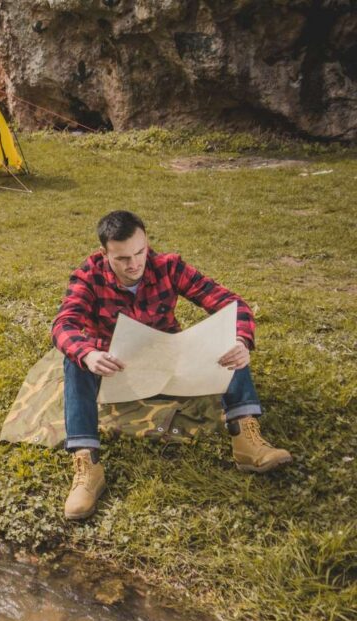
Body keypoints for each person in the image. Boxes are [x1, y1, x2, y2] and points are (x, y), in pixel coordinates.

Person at [51, 210, 292, 520]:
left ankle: (246, 439)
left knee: (227, 337)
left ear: (147, 242)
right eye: (122, 258)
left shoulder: (168, 266)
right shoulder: (89, 275)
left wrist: (242, 341)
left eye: (140, 252)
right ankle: (87, 465)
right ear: (104, 254)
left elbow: (233, 305)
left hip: (169, 359)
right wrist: (88, 354)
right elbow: (63, 324)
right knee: (75, 361)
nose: (134, 263)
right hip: (116, 365)